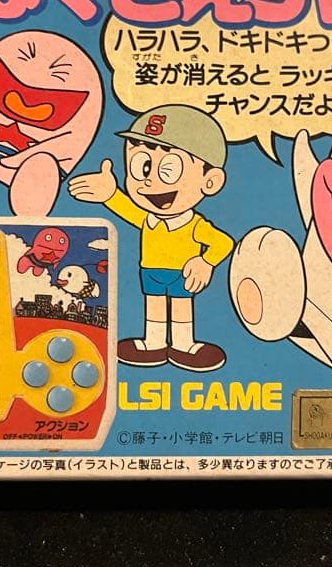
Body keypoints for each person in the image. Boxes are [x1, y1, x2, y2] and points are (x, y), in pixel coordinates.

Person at [68, 104, 232, 372]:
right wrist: (110, 194)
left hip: (182, 273)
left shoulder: (194, 225)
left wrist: (206, 261)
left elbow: (223, 242)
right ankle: (153, 344)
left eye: (168, 170)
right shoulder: (148, 220)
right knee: (154, 306)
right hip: (151, 270)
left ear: (210, 181)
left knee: (181, 308)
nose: (149, 182)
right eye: (142, 167)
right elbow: (127, 209)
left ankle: (183, 345)